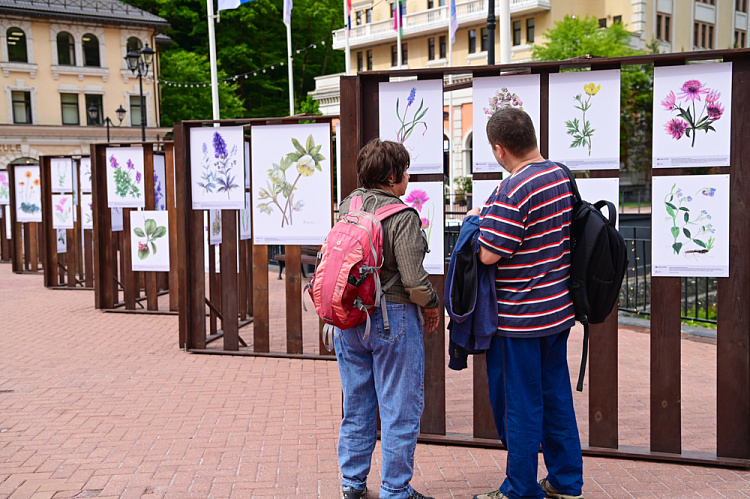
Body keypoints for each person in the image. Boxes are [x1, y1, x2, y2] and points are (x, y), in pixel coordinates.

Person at [467, 108, 584, 499]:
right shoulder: (559, 175)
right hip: (557, 312)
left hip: (519, 319)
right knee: (555, 397)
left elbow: (488, 254)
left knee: (520, 405)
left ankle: (519, 489)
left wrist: (476, 220)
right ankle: (566, 481)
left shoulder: (512, 189)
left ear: (500, 150)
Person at [335, 138, 441, 499]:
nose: (408, 177)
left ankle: (352, 484)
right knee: (399, 407)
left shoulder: (348, 205)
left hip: (348, 317)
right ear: (394, 175)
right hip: (391, 317)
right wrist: (432, 305)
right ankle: (395, 490)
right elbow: (413, 279)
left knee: (357, 404)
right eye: (406, 170)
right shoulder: (402, 216)